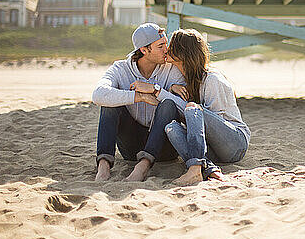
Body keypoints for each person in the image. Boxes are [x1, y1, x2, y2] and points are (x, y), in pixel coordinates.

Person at [131, 29, 250, 186]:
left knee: (193, 108)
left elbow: (211, 121)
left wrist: (155, 90)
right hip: (210, 150)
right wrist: (170, 89)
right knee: (172, 128)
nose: (167, 49)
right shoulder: (185, 80)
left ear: (183, 52)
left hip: (234, 144)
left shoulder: (212, 80)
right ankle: (208, 168)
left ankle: (194, 170)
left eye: (172, 46)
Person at [91, 22, 185, 181]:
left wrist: (157, 90)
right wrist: (138, 96)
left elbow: (186, 108)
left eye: (166, 44)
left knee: (169, 104)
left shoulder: (172, 70)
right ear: (144, 50)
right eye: (160, 46)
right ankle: (104, 165)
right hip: (131, 147)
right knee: (109, 104)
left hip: (165, 147)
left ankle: (143, 167)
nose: (166, 50)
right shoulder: (120, 69)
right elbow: (98, 95)